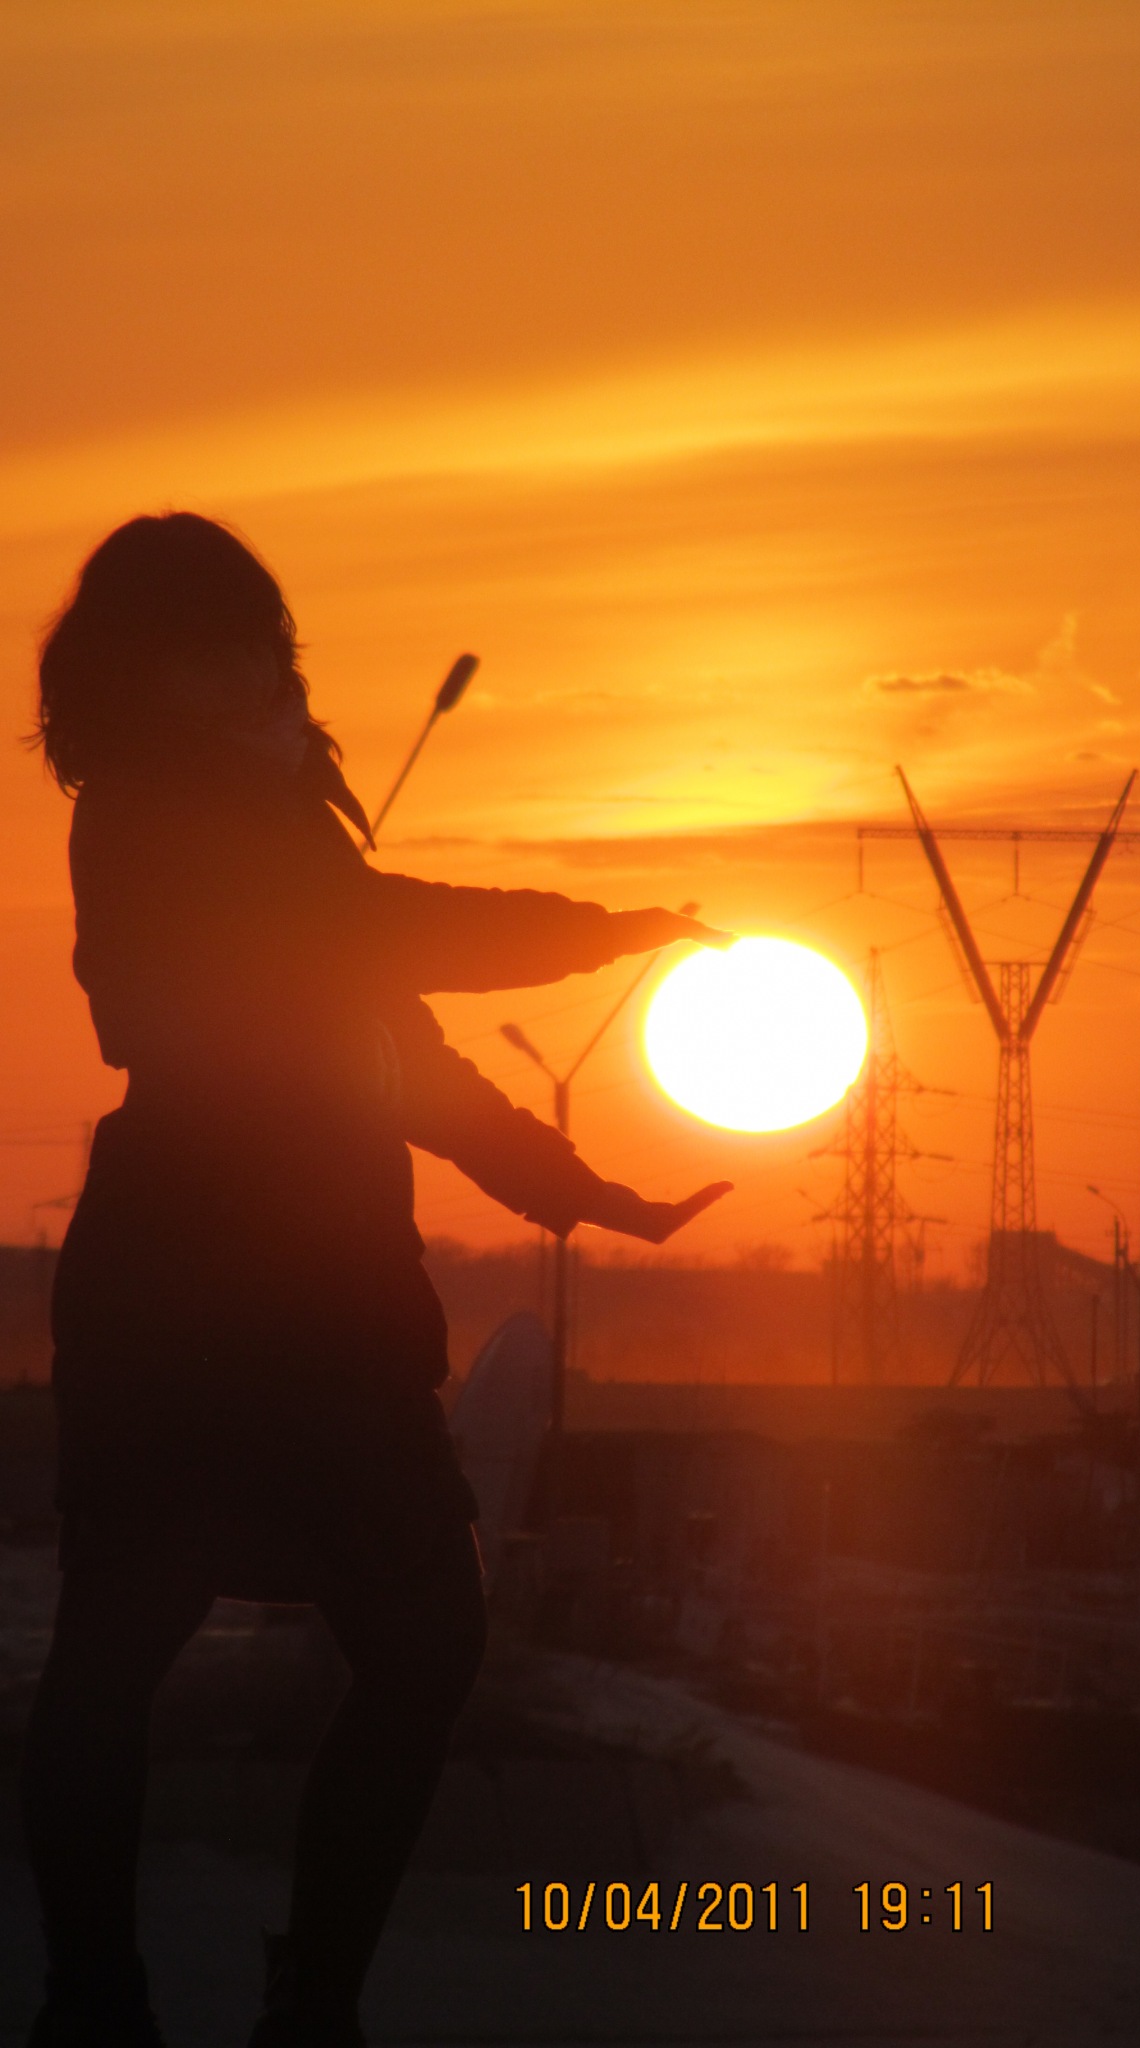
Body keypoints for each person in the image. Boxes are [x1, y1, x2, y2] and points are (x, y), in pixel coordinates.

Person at [17, 512, 733, 2048]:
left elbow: (411, 1058)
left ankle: (312, 2005)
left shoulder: (287, 812)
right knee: (114, 1657)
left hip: (334, 1296)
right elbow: (341, 945)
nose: (256, 666)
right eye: (221, 643)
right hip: (187, 1293)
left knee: (423, 1644)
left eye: (263, 638)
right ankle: (98, 2002)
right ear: (152, 664)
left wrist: (587, 1196)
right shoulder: (145, 810)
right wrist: (596, 933)